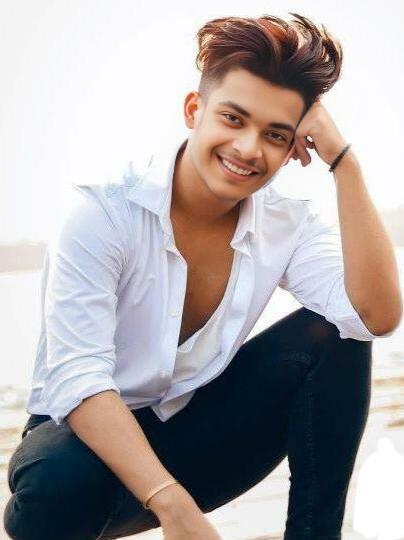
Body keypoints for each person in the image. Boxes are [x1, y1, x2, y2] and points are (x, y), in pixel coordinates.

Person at [4, 12, 402, 540]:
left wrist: (344, 164)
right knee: (56, 480)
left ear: (292, 149)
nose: (248, 148)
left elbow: (374, 316)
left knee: (336, 335)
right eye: (233, 119)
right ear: (195, 110)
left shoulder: (287, 225)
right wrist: (174, 507)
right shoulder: (102, 214)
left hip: (195, 440)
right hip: (86, 455)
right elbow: (79, 379)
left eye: (275, 134)